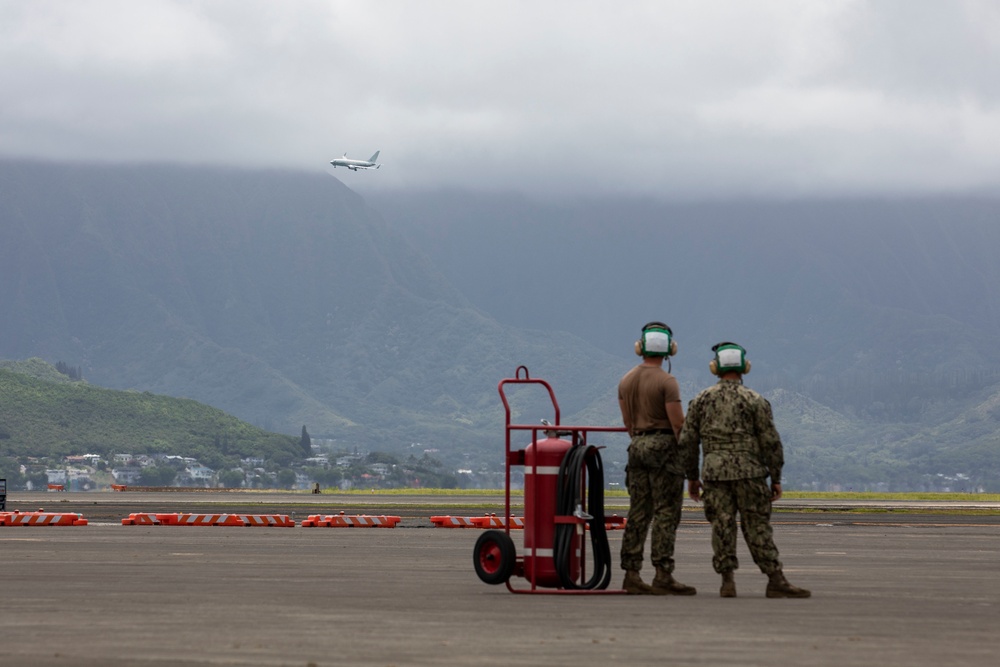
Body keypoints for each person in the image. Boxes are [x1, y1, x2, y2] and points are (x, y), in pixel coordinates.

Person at [680, 342, 811, 598]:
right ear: (745, 368)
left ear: (714, 367)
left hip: (715, 474)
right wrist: (776, 477)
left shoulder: (701, 400)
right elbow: (771, 441)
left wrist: (692, 477)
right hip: (751, 474)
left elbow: (687, 442)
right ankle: (775, 579)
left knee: (722, 526)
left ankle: (727, 581)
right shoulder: (756, 400)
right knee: (757, 526)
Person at [617, 321, 697, 595]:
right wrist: (690, 466)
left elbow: (627, 422)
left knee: (638, 512)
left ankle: (631, 573)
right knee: (666, 513)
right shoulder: (667, 381)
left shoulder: (626, 380)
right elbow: (678, 426)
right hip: (664, 449)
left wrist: (641, 440)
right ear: (669, 350)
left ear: (640, 347)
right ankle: (663, 573)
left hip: (637, 446)